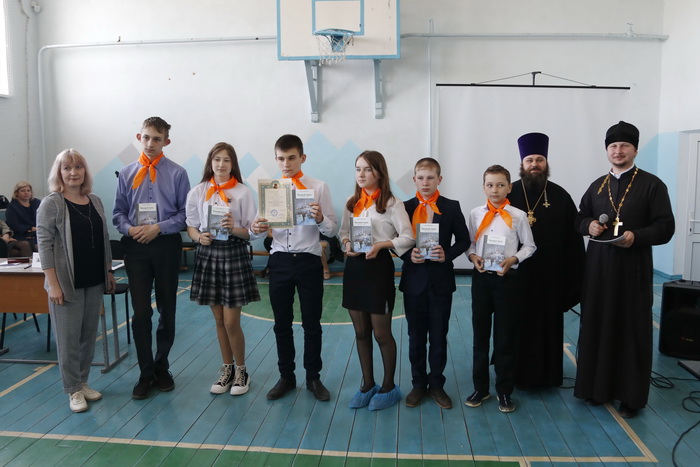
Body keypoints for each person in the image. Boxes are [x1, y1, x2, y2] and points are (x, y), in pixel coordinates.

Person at [574, 121, 675, 418]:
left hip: (632, 271)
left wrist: (636, 236)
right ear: (607, 150)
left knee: (631, 329)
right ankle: (596, 389)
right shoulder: (597, 185)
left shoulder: (652, 185)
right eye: (613, 146)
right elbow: (579, 217)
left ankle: (631, 397)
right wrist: (588, 225)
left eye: (624, 146)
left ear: (635, 150)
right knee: (597, 325)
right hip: (598, 271)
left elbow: (665, 227)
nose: (618, 151)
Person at [250, 134, 337, 401]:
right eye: (281, 158)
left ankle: (313, 378)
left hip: (309, 260)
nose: (286, 164)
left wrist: (320, 218)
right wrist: (256, 227)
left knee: (312, 323)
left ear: (302, 158)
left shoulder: (319, 187)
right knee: (281, 324)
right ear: (276, 159)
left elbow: (332, 229)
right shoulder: (270, 189)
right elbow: (254, 229)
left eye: (291, 158)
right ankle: (286, 377)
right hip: (280, 261)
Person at [113, 116, 190, 400]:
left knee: (167, 309)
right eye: (146, 137)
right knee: (141, 312)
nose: (150, 143)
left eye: (157, 139)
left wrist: (158, 227)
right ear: (139, 137)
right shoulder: (126, 173)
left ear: (166, 142)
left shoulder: (178, 173)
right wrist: (129, 228)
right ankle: (145, 372)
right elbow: (118, 213)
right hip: (136, 248)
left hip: (166, 245)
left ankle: (162, 366)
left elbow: (185, 214)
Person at [36, 149, 116, 413]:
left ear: (85, 171)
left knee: (88, 337)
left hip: (94, 280)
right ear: (59, 173)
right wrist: (53, 284)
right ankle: (72, 390)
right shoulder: (52, 203)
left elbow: (104, 239)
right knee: (68, 340)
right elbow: (44, 245)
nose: (73, 173)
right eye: (67, 168)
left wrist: (108, 271)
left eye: (78, 167)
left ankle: (82, 382)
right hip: (66, 283)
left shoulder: (95, 200)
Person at [507, 133, 585, 390]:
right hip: (516, 276)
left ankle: (549, 376)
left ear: (546, 162)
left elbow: (574, 242)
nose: (535, 164)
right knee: (516, 326)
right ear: (522, 163)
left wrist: (572, 281)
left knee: (547, 328)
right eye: (530, 160)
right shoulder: (508, 193)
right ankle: (513, 375)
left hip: (550, 279)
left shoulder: (560, 196)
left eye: (539, 159)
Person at [339, 150, 415, 411]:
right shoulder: (351, 202)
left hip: (378, 269)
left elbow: (408, 237)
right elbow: (343, 232)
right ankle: (367, 384)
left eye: (367, 169)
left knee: (381, 333)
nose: (361, 174)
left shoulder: (393, 203)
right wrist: (346, 243)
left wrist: (382, 245)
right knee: (361, 332)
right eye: (358, 169)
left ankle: (388, 386)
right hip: (354, 269)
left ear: (379, 173)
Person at [185, 142, 260, 396]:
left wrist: (233, 228)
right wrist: (198, 237)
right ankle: (227, 369)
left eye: (226, 160)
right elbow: (191, 226)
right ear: (210, 162)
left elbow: (251, 232)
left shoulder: (242, 192)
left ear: (233, 164)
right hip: (208, 255)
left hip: (234, 254)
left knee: (231, 322)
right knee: (218, 320)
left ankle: (242, 370)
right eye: (217, 159)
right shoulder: (198, 191)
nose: (221, 164)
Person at [399, 157, 469, 409]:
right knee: (415, 337)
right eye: (421, 177)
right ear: (414, 180)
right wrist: (408, 255)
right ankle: (418, 384)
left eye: (430, 178)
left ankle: (437, 385)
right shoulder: (404, 207)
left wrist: (446, 254)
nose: (425, 182)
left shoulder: (451, 207)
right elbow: (396, 240)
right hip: (413, 281)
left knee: (439, 335)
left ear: (439, 179)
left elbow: (464, 240)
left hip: (440, 282)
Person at [465, 165, 536, 413]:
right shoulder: (475, 214)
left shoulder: (518, 215)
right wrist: (473, 257)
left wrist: (513, 259)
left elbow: (530, 246)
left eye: (500, 185)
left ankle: (504, 391)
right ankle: (480, 388)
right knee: (480, 337)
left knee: (505, 338)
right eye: (490, 185)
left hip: (507, 281)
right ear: (483, 187)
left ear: (509, 187)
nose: (494, 190)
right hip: (481, 281)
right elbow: (470, 243)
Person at [5, 180, 41, 251]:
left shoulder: (37, 203)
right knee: (36, 246)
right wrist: (31, 228)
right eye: (22, 191)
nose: (26, 193)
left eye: (28, 190)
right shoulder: (12, 207)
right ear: (17, 193)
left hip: (38, 233)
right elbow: (14, 226)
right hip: (21, 235)